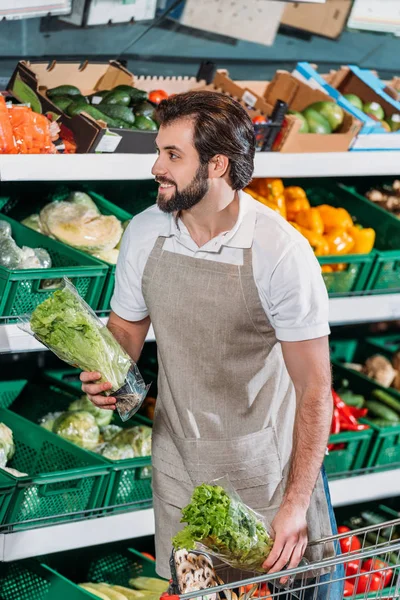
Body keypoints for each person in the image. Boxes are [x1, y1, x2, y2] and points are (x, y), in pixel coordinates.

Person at [81, 91, 343, 597]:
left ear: (218, 164)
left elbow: (315, 388)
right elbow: (127, 331)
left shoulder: (279, 251)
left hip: (266, 474)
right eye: (159, 151)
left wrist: (294, 505)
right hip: (180, 460)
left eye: (172, 155)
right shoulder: (144, 233)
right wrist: (108, 369)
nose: (157, 166)